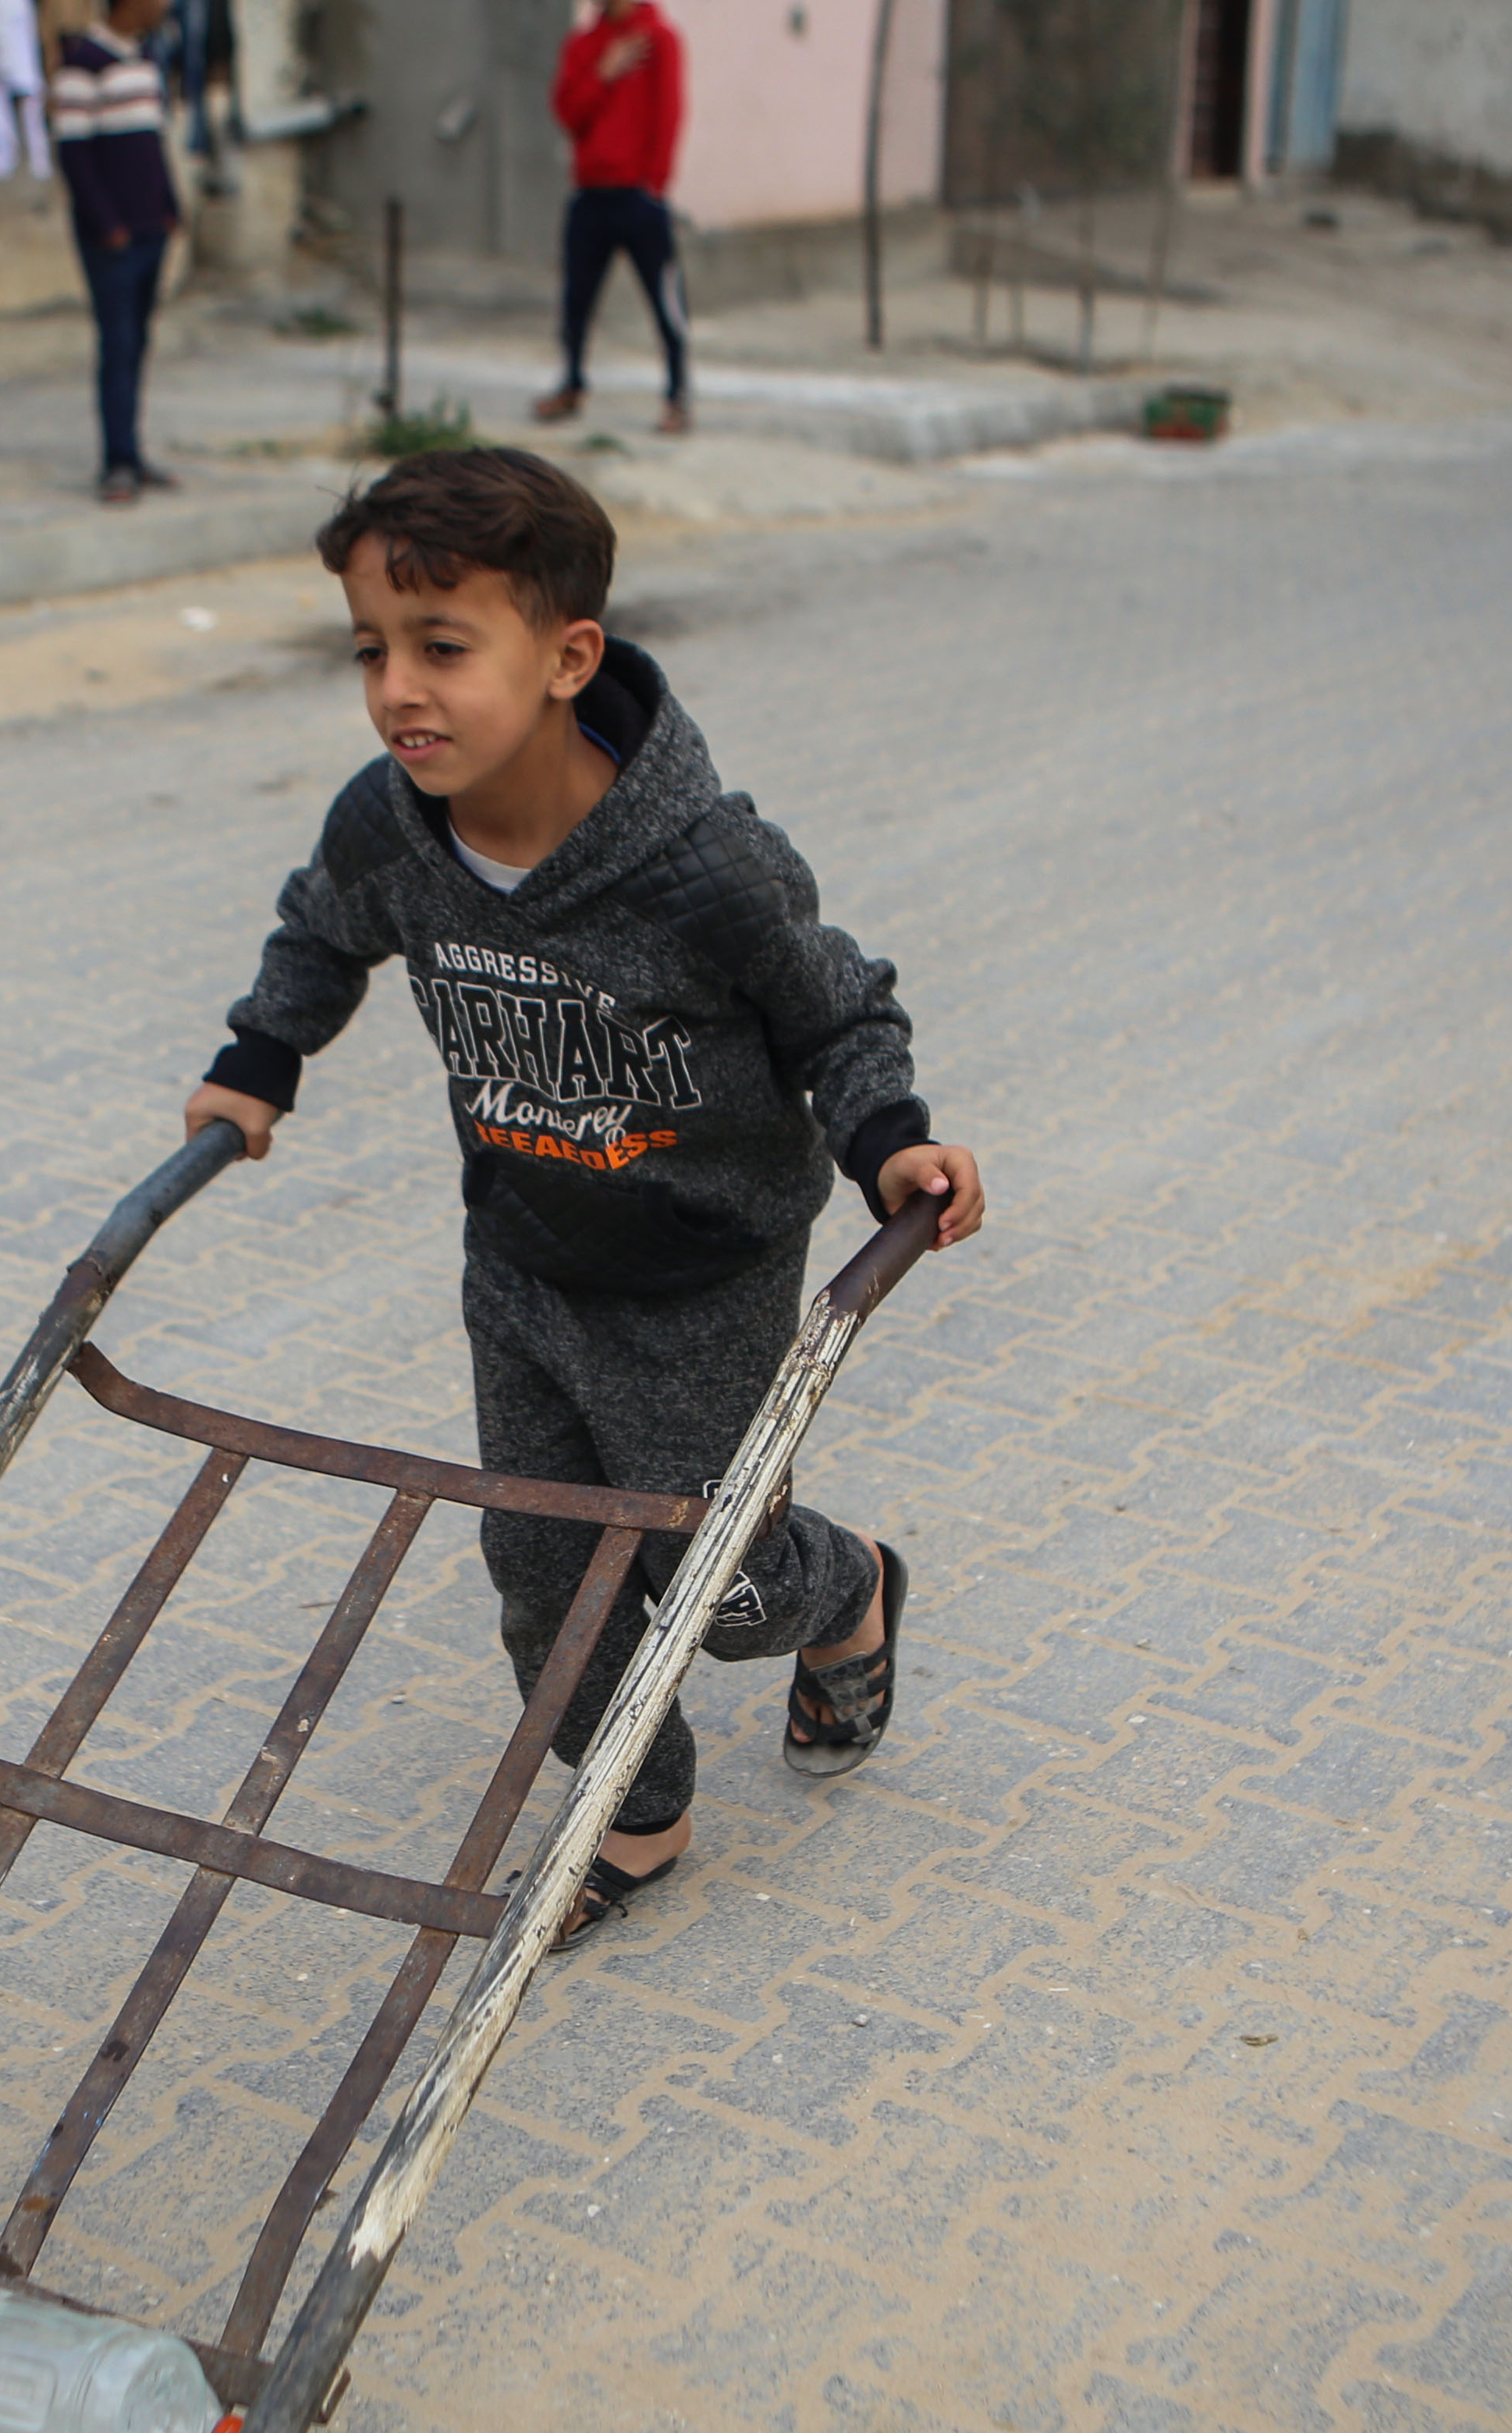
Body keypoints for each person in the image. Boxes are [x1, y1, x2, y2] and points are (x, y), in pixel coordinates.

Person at [179, 450, 987, 1947]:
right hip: (522, 1254)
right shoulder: (389, 826)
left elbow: (837, 1011)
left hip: (700, 1276)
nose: (396, 690)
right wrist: (259, 1058)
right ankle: (638, 1810)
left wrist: (890, 1139)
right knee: (544, 1567)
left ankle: (852, 1589)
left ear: (567, 659)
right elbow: (323, 930)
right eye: (369, 650)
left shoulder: (703, 867)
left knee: (722, 1587)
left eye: (441, 647)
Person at [535, 0, 691, 436]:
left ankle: (677, 395)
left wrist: (655, 183)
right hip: (590, 193)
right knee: (576, 298)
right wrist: (602, 73)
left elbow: (670, 111)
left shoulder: (659, 39)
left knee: (665, 299)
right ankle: (572, 382)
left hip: (639, 195)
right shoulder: (584, 44)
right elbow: (568, 113)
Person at [50, 0, 183, 503]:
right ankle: (118, 462)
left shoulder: (146, 58)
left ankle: (133, 449)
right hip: (113, 236)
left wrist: (169, 206)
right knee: (118, 344)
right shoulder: (82, 64)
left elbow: (152, 143)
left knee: (139, 342)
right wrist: (106, 224)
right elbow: (74, 154)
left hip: (152, 227)